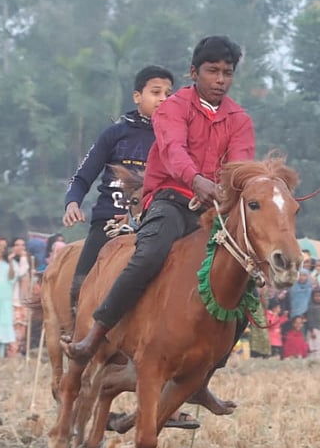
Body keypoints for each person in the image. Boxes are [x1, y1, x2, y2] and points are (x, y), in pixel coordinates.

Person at [65, 35, 256, 361]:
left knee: (244, 276)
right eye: (213, 71)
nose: (221, 80)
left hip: (213, 210)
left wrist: (230, 188)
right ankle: (97, 331)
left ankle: (209, 367)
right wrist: (197, 181)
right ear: (194, 72)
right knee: (150, 253)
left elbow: (239, 164)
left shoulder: (239, 119)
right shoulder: (174, 109)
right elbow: (172, 150)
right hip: (170, 198)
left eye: (227, 72)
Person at [62, 65, 175, 314]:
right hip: (108, 223)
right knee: (80, 286)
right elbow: (82, 177)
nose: (163, 99)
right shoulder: (115, 134)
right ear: (137, 96)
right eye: (156, 92)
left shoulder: (173, 139)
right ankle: (76, 338)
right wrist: (72, 203)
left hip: (155, 223)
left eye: (168, 93)